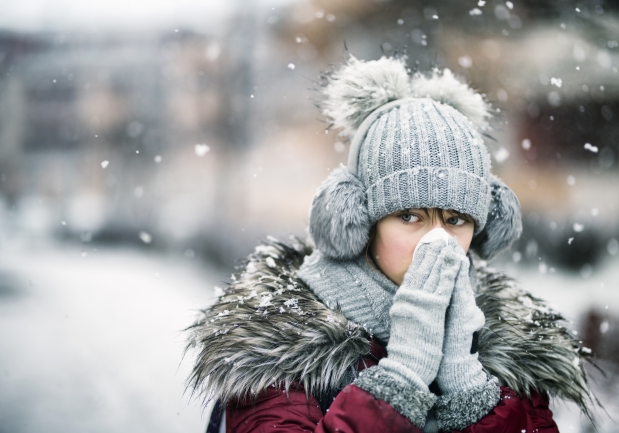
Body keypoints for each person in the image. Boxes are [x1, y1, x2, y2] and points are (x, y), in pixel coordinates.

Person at [184, 55, 594, 433]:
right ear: (357, 220)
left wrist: (471, 392)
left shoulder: (510, 353)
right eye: (409, 217)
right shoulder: (283, 355)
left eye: (456, 220)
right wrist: (402, 380)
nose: (437, 240)